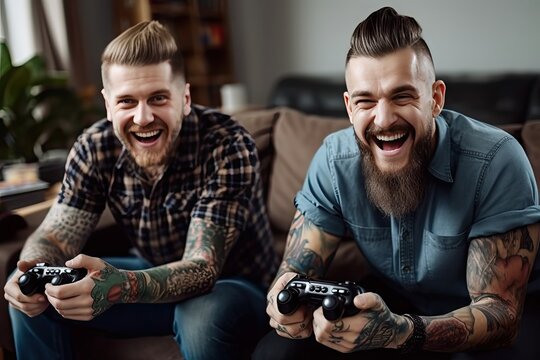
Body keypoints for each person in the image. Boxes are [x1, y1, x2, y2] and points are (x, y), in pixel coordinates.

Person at [253, 7, 540, 360]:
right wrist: (288, 310)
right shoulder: (334, 161)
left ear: (435, 98)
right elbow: (295, 271)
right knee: (277, 352)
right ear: (348, 107)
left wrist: (401, 332)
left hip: (493, 318)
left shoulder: (497, 160)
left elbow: (499, 314)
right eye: (366, 101)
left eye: (401, 96)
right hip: (391, 306)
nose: (384, 119)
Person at [4, 20, 277, 360]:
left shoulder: (227, 145)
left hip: (233, 289)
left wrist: (118, 286)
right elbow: (56, 237)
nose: (143, 117)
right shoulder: (95, 148)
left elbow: (203, 267)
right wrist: (33, 268)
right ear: (108, 105)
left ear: (186, 98)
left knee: (202, 314)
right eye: (127, 102)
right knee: (33, 282)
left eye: (158, 98)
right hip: (149, 277)